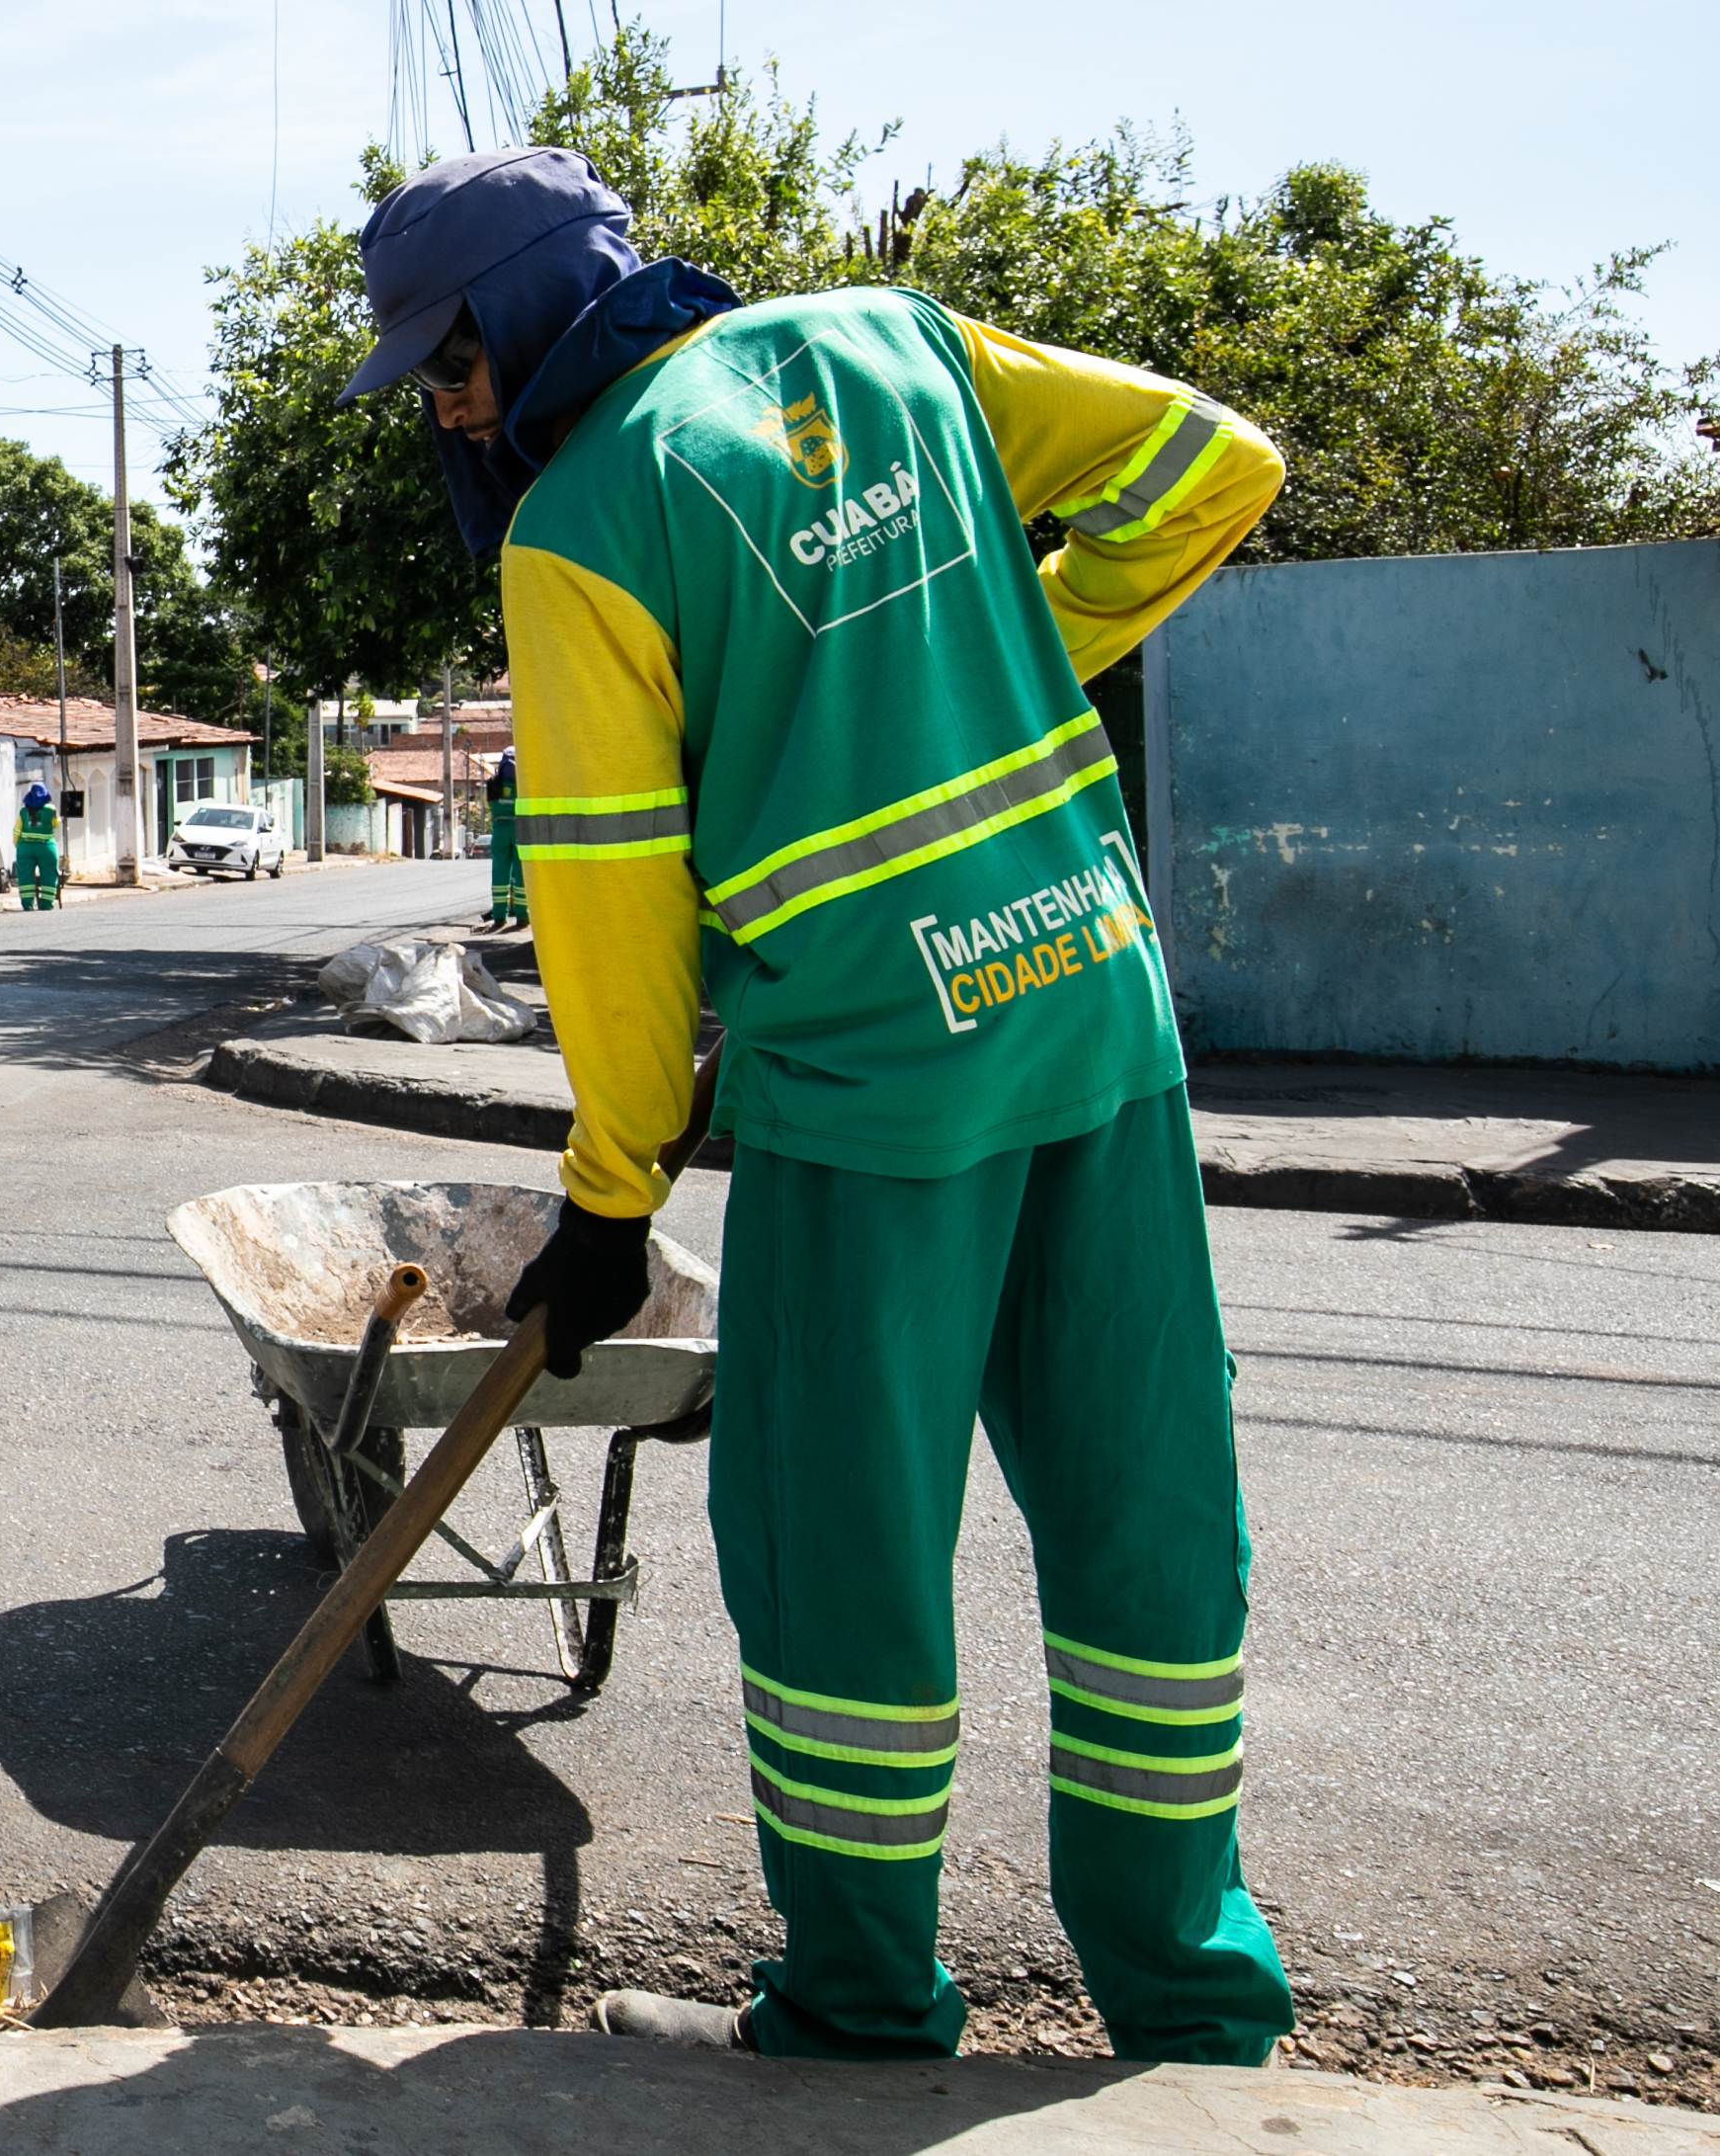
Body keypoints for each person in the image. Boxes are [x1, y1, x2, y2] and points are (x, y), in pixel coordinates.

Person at [341, 146, 1293, 2064]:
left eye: (440, 364)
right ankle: (1191, 2002)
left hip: (874, 1083)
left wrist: (610, 1197)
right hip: (1094, 1016)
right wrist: (1004, 657)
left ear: (515, 317)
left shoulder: (584, 527)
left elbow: (608, 899)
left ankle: (859, 1999)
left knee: (835, 1547)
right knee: (1143, 1515)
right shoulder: (896, 344)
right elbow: (1214, 463)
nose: (440, 408)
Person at [483, 746, 528, 930]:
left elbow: (489, 805)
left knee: (500, 873)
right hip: (521, 830)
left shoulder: (493, 783)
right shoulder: (524, 783)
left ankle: (499, 916)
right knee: (521, 875)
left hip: (499, 829)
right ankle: (522, 916)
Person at [14, 781, 64, 909]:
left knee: (25, 876)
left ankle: (27, 904)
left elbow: (17, 831)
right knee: (48, 875)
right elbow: (56, 824)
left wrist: (18, 846)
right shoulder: (50, 810)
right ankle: (46, 904)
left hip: (25, 848)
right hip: (46, 847)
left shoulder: (23, 812)